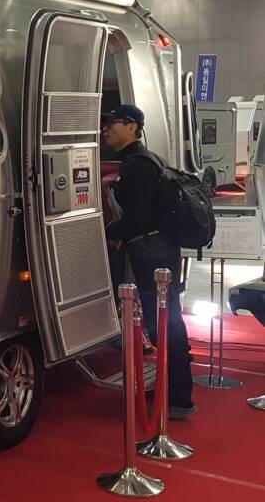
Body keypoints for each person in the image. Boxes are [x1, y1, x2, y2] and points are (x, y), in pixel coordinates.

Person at [101, 104, 196, 419]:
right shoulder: (143, 160)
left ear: (132, 127)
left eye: (112, 123)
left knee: (164, 325)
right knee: (167, 322)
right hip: (161, 251)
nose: (106, 130)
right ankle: (175, 389)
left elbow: (139, 218)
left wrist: (107, 231)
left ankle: (179, 397)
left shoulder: (137, 165)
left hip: (153, 254)